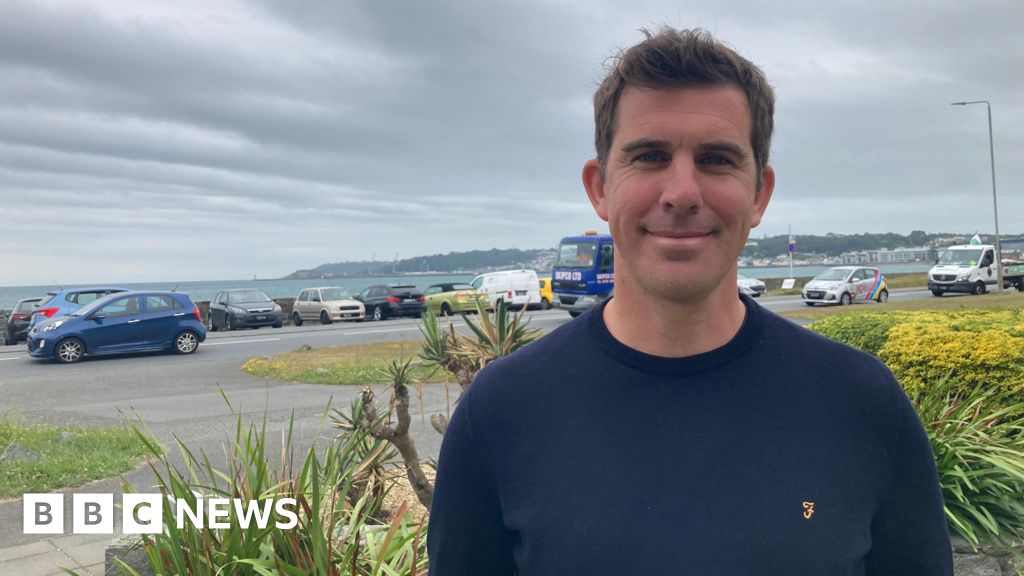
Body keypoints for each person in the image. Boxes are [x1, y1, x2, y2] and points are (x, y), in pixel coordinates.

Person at [427, 27, 952, 575]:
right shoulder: (501, 412)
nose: (681, 193)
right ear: (600, 187)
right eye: (650, 156)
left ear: (759, 193)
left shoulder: (861, 403)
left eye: (717, 159)